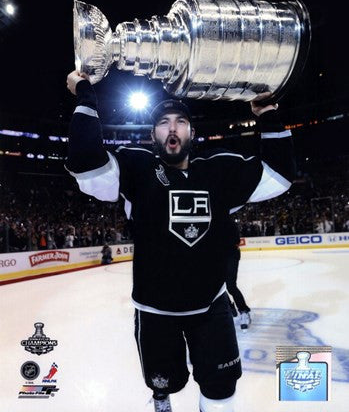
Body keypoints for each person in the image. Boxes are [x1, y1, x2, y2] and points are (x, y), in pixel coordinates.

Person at [66, 70, 295, 412]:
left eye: (180, 122)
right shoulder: (136, 169)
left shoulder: (218, 171)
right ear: (153, 135)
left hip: (211, 307)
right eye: (163, 123)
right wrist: (86, 97)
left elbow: (279, 175)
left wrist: (267, 113)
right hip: (156, 311)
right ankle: (161, 398)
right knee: (163, 382)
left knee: (221, 388)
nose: (172, 128)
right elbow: (86, 165)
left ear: (191, 132)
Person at [226, 219, 251, 331]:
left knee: (231, 286)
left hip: (231, 254)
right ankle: (229, 306)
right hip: (216, 256)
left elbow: (236, 240)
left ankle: (244, 312)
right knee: (213, 285)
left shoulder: (228, 221)